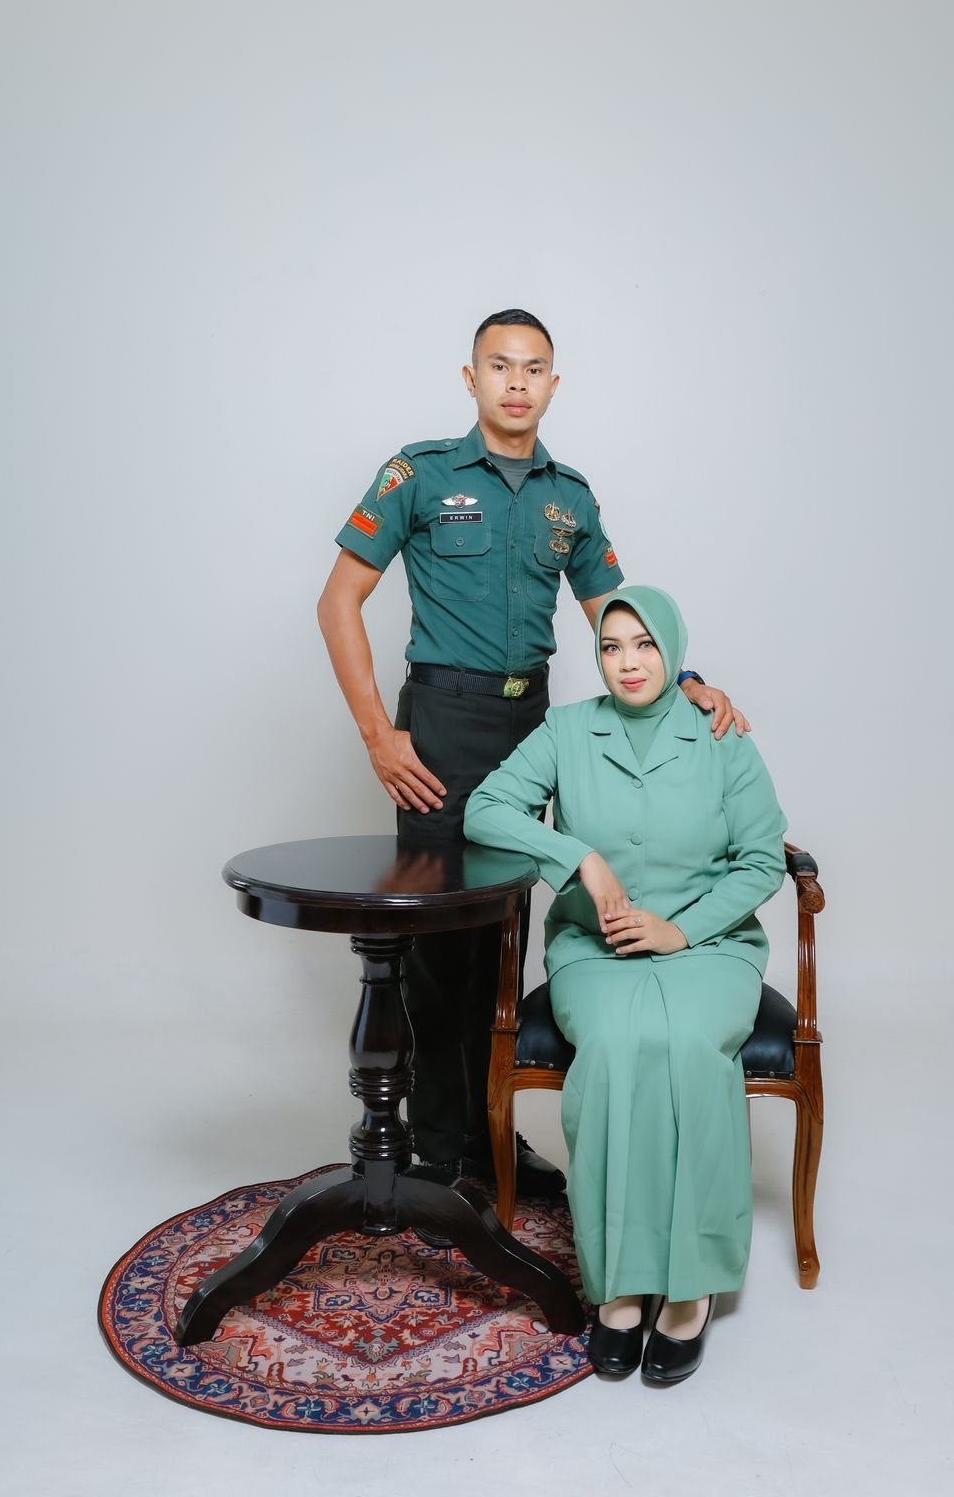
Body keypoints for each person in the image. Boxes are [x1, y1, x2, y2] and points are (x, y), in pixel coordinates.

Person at [316, 311, 747, 1200]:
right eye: (500, 366)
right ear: (470, 378)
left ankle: (490, 1139)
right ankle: (437, 1151)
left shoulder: (570, 498)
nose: (517, 382)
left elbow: (614, 615)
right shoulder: (420, 474)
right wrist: (378, 736)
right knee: (439, 940)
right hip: (441, 726)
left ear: (554, 383)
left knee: (505, 933)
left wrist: (689, 680)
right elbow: (338, 601)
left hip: (531, 727)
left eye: (534, 368)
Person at [464, 586, 786, 1385]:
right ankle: (620, 1280)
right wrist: (578, 858)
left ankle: (691, 1284)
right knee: (611, 1049)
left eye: (644, 645)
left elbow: (761, 859)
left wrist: (684, 929)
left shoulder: (720, 735)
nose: (629, 663)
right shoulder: (567, 730)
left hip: (710, 948)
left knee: (687, 1047)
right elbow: (485, 809)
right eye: (612, 648)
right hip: (596, 948)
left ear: (672, 651)